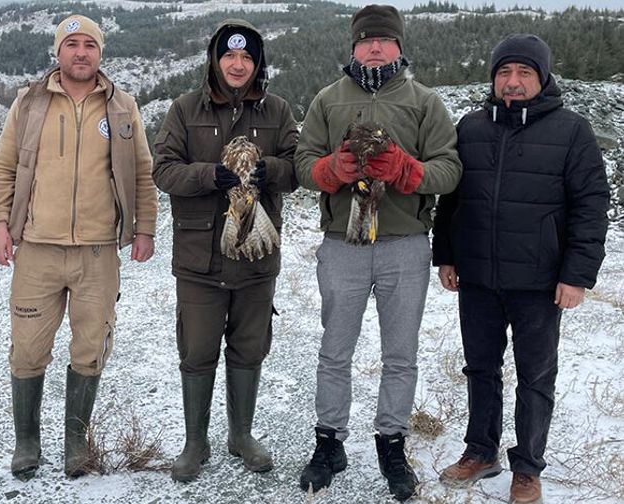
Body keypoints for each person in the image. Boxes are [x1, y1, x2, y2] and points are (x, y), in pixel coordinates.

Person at [294, 4, 462, 501]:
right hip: (343, 245)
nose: (374, 47)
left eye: (384, 40)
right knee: (334, 351)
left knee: (400, 354)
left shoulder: (424, 102)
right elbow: (304, 163)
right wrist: (331, 170)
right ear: (353, 47)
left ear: (398, 46)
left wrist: (410, 172)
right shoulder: (328, 100)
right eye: (366, 40)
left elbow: (449, 168)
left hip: (404, 244)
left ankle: (391, 442)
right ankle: (329, 442)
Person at [432, 34, 609, 504]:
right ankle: (480, 451)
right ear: (494, 78)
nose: (512, 82)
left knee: (535, 377)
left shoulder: (572, 131)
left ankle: (527, 467)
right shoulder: (469, 127)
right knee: (481, 369)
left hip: (540, 281)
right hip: (478, 277)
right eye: (504, 73)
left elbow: (591, 207)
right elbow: (450, 199)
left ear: (542, 78)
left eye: (524, 73)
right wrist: (445, 254)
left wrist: (577, 275)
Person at [0, 14, 158, 481]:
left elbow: (143, 173)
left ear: (100, 52)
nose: (81, 52)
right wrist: (0, 224)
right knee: (27, 349)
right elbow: (2, 168)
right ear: (57, 52)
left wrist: (146, 228)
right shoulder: (29, 103)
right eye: (72, 44)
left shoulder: (122, 106)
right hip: (38, 248)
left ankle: (75, 442)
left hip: (98, 251)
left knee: (90, 347)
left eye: (90, 45)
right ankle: (27, 442)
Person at [152, 19, 298, 483]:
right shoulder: (184, 108)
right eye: (230, 56)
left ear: (258, 65)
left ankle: (241, 435)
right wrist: (208, 175)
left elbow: (298, 168)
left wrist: (267, 170)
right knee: (196, 351)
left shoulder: (277, 110)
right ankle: (196, 442)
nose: (238, 65)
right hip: (200, 257)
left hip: (257, 256)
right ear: (215, 60)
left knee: (249, 347)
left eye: (248, 58)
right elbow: (163, 170)